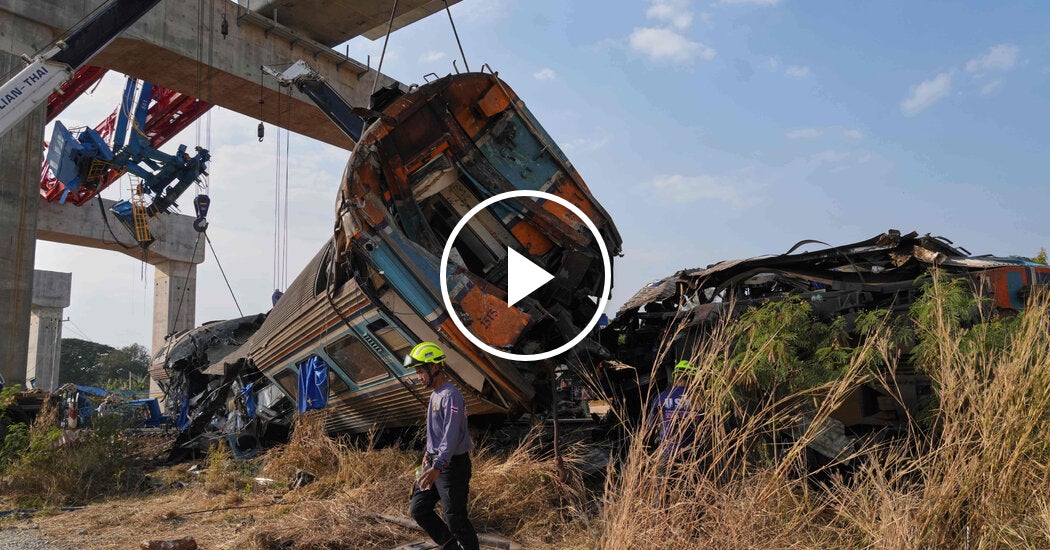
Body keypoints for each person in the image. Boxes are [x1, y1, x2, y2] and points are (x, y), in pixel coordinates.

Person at [405, 341, 479, 550]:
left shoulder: (451, 396)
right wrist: (428, 454)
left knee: (456, 520)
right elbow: (436, 432)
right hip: (435, 463)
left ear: (435, 367)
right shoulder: (435, 395)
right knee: (419, 509)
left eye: (421, 371)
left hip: (451, 467)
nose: (419, 377)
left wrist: (438, 466)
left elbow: (450, 435)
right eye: (417, 372)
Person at [651, 360, 699, 457]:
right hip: (690, 453)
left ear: (675, 376)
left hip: (666, 451)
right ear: (692, 377)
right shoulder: (698, 398)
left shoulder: (661, 396)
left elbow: (650, 424)